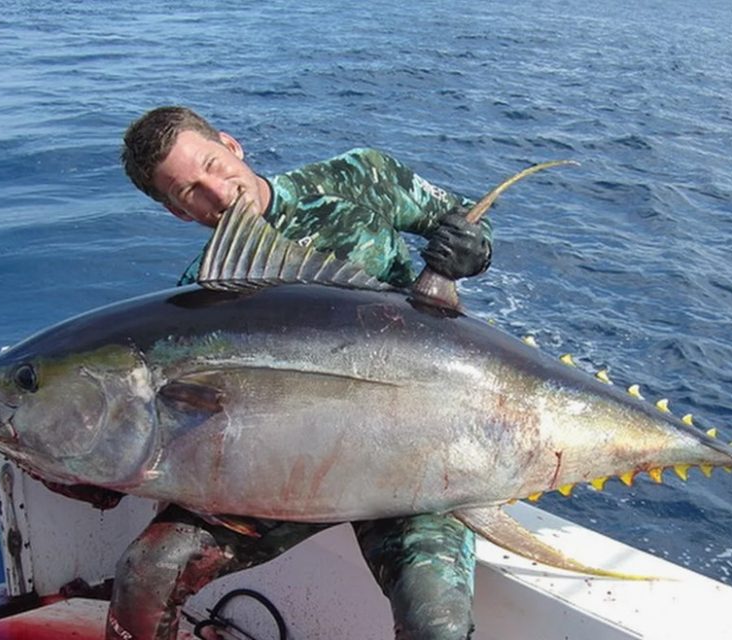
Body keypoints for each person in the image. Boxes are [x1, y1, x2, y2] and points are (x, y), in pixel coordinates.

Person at [114, 105, 492, 640]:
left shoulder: (359, 178)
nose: (218, 194)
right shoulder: (201, 293)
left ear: (231, 143)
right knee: (146, 571)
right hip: (280, 477)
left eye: (213, 165)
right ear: (178, 213)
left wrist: (472, 251)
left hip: (412, 455)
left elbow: (464, 222)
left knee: (438, 623)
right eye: (189, 193)